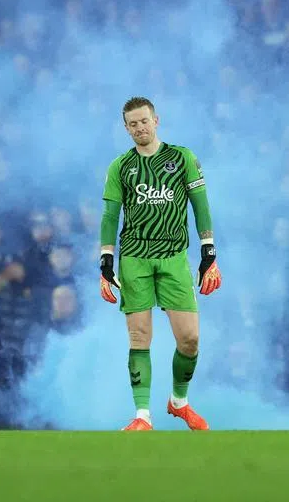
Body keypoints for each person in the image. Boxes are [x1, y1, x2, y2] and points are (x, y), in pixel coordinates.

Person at [98, 97, 222, 431]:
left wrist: (208, 251)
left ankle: (178, 402)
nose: (139, 128)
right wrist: (106, 259)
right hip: (135, 258)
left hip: (174, 257)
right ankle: (142, 416)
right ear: (126, 128)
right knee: (140, 336)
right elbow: (111, 215)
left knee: (190, 340)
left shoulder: (183, 158)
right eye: (132, 124)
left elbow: (200, 204)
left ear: (156, 120)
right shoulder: (120, 167)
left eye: (144, 121)